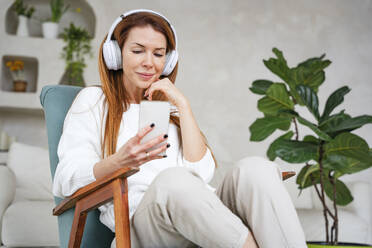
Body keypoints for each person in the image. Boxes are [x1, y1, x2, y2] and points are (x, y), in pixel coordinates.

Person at [52, 9, 307, 248]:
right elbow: (67, 177)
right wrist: (120, 161)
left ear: (169, 60)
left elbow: (200, 173)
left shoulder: (169, 109)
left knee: (255, 169)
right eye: (138, 51)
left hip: (197, 218)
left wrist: (183, 107)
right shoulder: (93, 101)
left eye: (158, 54)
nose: (149, 63)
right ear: (116, 54)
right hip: (143, 225)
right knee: (173, 181)